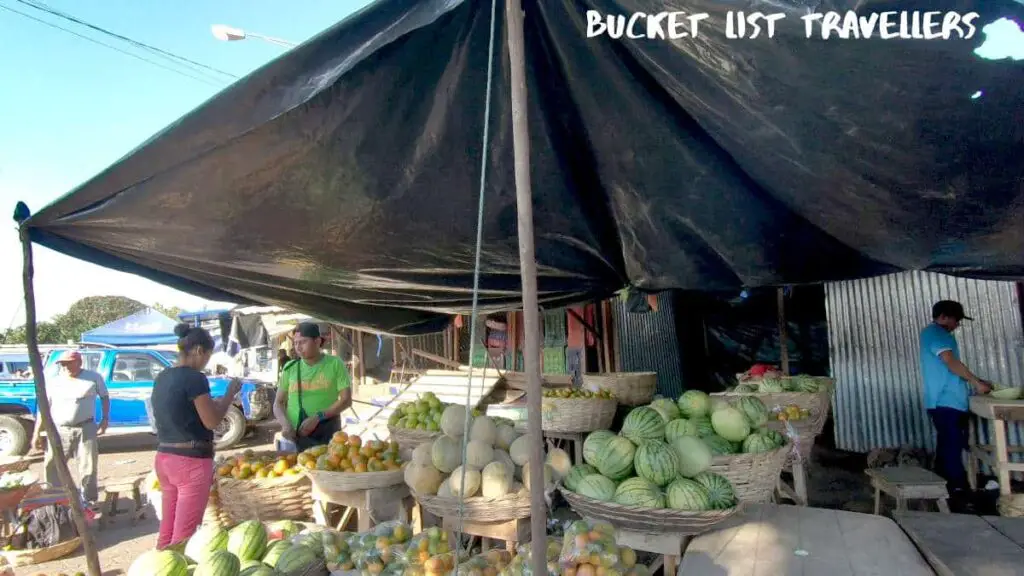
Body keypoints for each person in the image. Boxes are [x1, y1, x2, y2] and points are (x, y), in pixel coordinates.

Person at [151, 323, 242, 549]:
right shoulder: (194, 378)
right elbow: (211, 421)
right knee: (184, 536)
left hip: (164, 457)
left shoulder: (162, 377)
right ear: (199, 350)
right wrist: (230, 394)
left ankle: (160, 565)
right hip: (189, 461)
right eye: (208, 356)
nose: (207, 362)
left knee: (168, 530)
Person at [920, 300, 991, 510]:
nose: (957, 324)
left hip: (951, 402)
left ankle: (941, 491)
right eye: (955, 319)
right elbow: (951, 363)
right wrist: (975, 382)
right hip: (944, 401)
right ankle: (958, 492)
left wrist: (978, 380)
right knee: (952, 446)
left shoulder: (943, 336)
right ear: (942, 316)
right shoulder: (934, 334)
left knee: (947, 446)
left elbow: (956, 367)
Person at [31, 349, 109, 507]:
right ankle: (56, 500)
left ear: (79, 362)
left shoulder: (93, 378)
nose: (65, 367)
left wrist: (105, 419)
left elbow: (105, 397)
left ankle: (88, 500)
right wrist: (36, 433)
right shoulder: (54, 381)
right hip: (60, 429)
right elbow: (43, 409)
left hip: (86, 427)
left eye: (68, 363)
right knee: (53, 464)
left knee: (88, 465)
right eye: (63, 364)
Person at [274, 323, 352, 451]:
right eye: (296, 343)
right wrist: (286, 425)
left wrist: (317, 417)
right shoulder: (290, 368)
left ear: (317, 341)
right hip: (296, 435)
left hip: (328, 432)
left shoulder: (335, 364)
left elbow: (346, 400)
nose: (298, 347)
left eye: (303, 342)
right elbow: (278, 403)